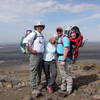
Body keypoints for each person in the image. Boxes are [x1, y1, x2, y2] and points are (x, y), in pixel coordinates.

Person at [23, 22, 45, 97]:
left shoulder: (41, 35)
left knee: (39, 71)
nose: (40, 27)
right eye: (38, 26)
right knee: (34, 71)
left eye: (41, 26)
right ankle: (34, 88)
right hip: (34, 55)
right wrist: (31, 50)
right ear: (36, 27)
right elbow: (25, 41)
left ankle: (37, 85)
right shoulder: (33, 34)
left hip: (40, 55)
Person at [56, 27, 73, 97]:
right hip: (60, 58)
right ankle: (63, 87)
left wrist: (63, 60)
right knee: (63, 74)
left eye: (60, 31)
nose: (59, 32)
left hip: (64, 59)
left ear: (62, 31)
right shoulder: (59, 38)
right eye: (58, 31)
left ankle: (69, 90)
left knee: (67, 74)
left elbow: (66, 49)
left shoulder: (65, 38)